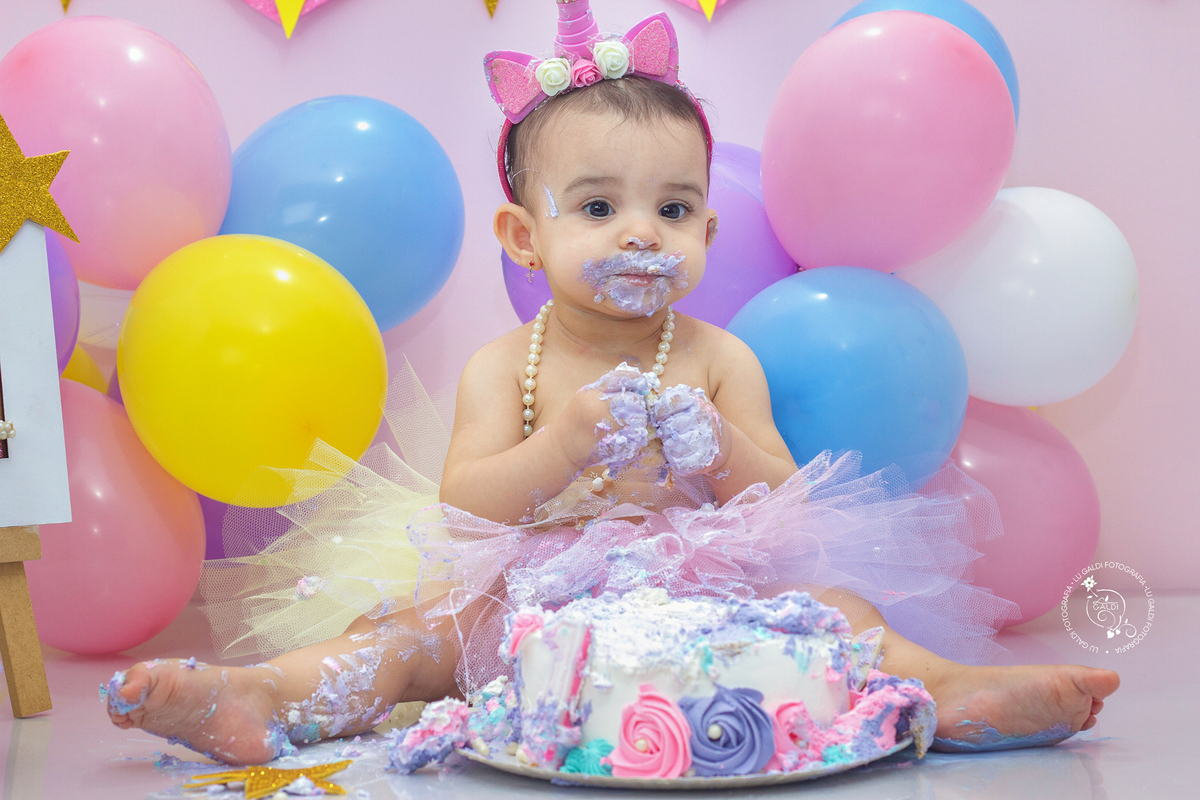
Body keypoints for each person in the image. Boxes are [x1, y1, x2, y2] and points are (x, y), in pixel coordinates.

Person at [105, 0, 1118, 766]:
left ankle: (951, 688)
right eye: (597, 205)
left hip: (705, 597)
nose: (642, 231)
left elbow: (790, 494)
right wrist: (555, 451)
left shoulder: (718, 357)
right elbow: (465, 498)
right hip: (531, 599)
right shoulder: (508, 364)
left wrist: (721, 451)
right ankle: (265, 693)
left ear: (708, 235)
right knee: (411, 638)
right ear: (523, 235)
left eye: (675, 208)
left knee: (836, 606)